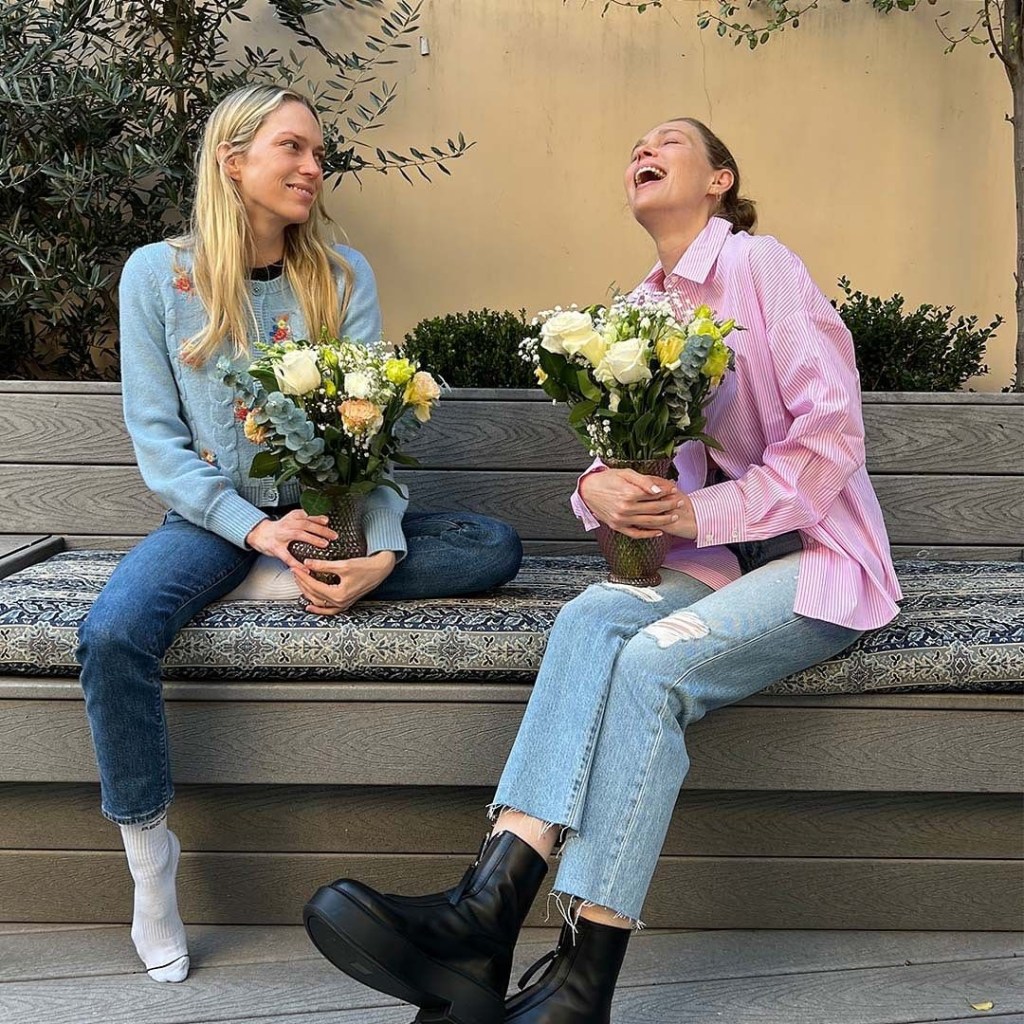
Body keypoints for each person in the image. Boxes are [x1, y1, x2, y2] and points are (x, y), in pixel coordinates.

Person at [300, 116, 904, 1024]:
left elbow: (830, 440)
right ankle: (485, 914)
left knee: (651, 666)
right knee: (589, 617)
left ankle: (581, 985)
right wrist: (605, 491)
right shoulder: (640, 311)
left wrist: (705, 510)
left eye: (668, 139)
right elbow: (613, 464)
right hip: (710, 565)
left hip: (816, 562)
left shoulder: (760, 264)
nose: (642, 151)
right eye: (633, 146)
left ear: (718, 179)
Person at [76, 83, 522, 984]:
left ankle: (310, 577)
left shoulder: (343, 276)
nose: (314, 167)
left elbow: (375, 440)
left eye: (319, 154)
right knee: (112, 633)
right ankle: (148, 861)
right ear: (233, 160)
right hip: (215, 523)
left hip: (334, 520)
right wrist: (256, 531)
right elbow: (159, 447)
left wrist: (383, 552)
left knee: (492, 544)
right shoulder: (156, 276)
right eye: (293, 149)